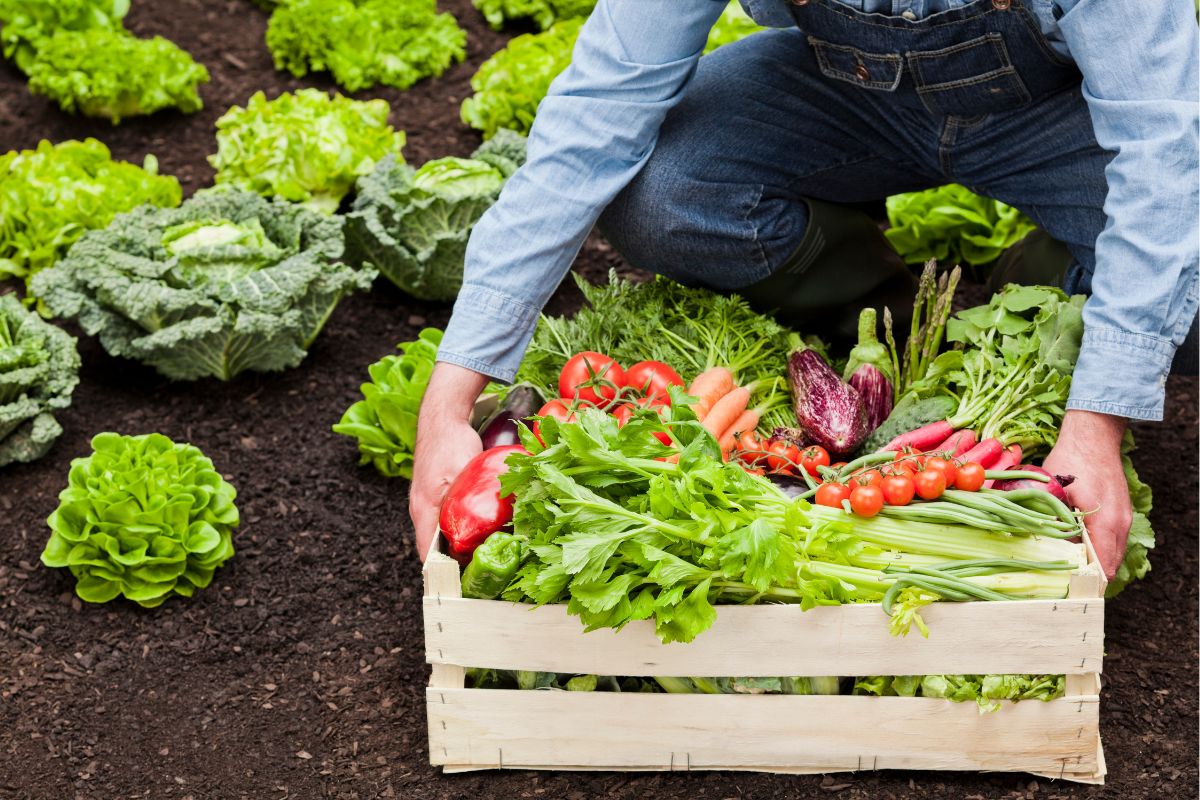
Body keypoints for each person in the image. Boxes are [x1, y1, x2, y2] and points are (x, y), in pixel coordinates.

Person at [410, 0, 1200, 579]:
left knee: (1188, 293)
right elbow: (595, 114)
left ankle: (1044, 298)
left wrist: (1097, 426)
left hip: (1057, 111)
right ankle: (871, 309)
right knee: (667, 194)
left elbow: (1162, 156)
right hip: (849, 97)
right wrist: (450, 402)